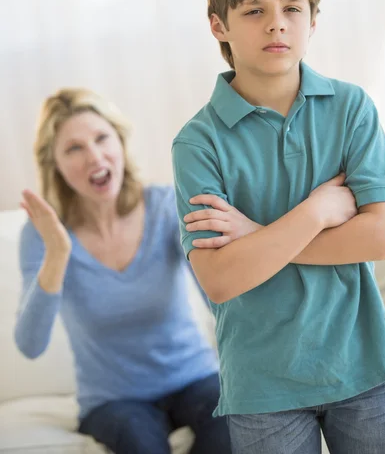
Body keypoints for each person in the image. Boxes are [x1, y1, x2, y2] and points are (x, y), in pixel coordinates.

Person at [172, 0, 385, 453]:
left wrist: (258, 238)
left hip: (366, 365)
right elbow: (220, 278)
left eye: (292, 9)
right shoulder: (197, 143)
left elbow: (381, 236)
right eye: (255, 11)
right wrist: (318, 211)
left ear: (312, 21)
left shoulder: (351, 108)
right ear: (219, 26)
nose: (276, 24)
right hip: (263, 386)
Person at [14, 88, 232, 454]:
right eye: (74, 148)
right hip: (114, 402)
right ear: (54, 164)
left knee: (231, 430)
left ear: (120, 142)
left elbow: (219, 299)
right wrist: (58, 254)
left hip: (195, 379)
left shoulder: (164, 207)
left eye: (102, 138)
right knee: (139, 441)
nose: (94, 156)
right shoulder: (43, 234)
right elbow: (30, 345)